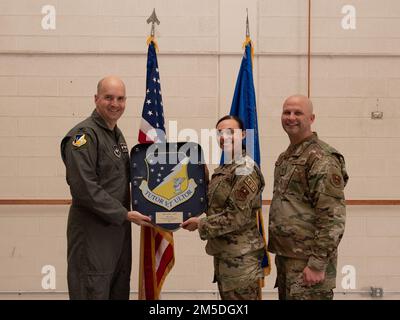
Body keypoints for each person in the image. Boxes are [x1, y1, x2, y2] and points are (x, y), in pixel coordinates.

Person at [60, 76, 152, 300]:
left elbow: (134, 177)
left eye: (120, 98)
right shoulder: (84, 136)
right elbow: (84, 188)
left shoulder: (115, 135)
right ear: (96, 99)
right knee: (93, 291)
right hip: (93, 235)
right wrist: (124, 214)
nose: (115, 104)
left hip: (118, 233)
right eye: (108, 97)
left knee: (118, 291)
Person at [268, 94, 348, 300]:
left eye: (298, 113)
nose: (291, 117)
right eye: (287, 112)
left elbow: (333, 217)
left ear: (311, 118)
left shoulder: (321, 158)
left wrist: (317, 264)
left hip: (308, 263)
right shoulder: (286, 157)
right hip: (288, 259)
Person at [181, 115, 265, 300]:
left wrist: (201, 224)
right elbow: (215, 206)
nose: (224, 136)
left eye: (230, 132)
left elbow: (237, 217)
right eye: (220, 132)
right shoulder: (225, 169)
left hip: (241, 261)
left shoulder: (245, 169)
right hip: (225, 256)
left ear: (243, 135)